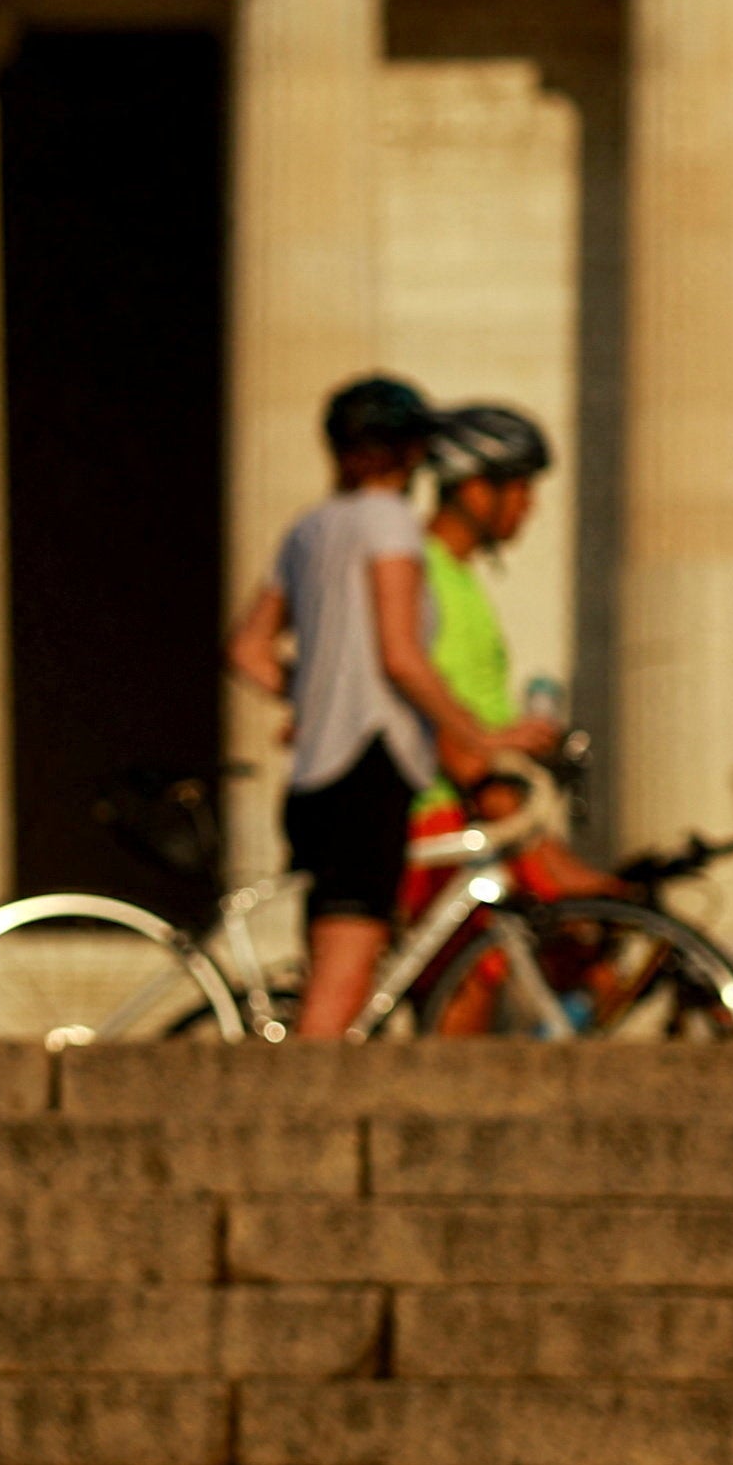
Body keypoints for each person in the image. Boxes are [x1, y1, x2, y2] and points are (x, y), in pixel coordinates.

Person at [225, 372, 545, 1036]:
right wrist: (486, 736)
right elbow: (402, 656)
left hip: (314, 777)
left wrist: (313, 690)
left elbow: (248, 650)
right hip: (366, 771)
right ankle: (291, 1131)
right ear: (412, 453)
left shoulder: (308, 529)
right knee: (337, 999)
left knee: (336, 975)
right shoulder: (390, 523)